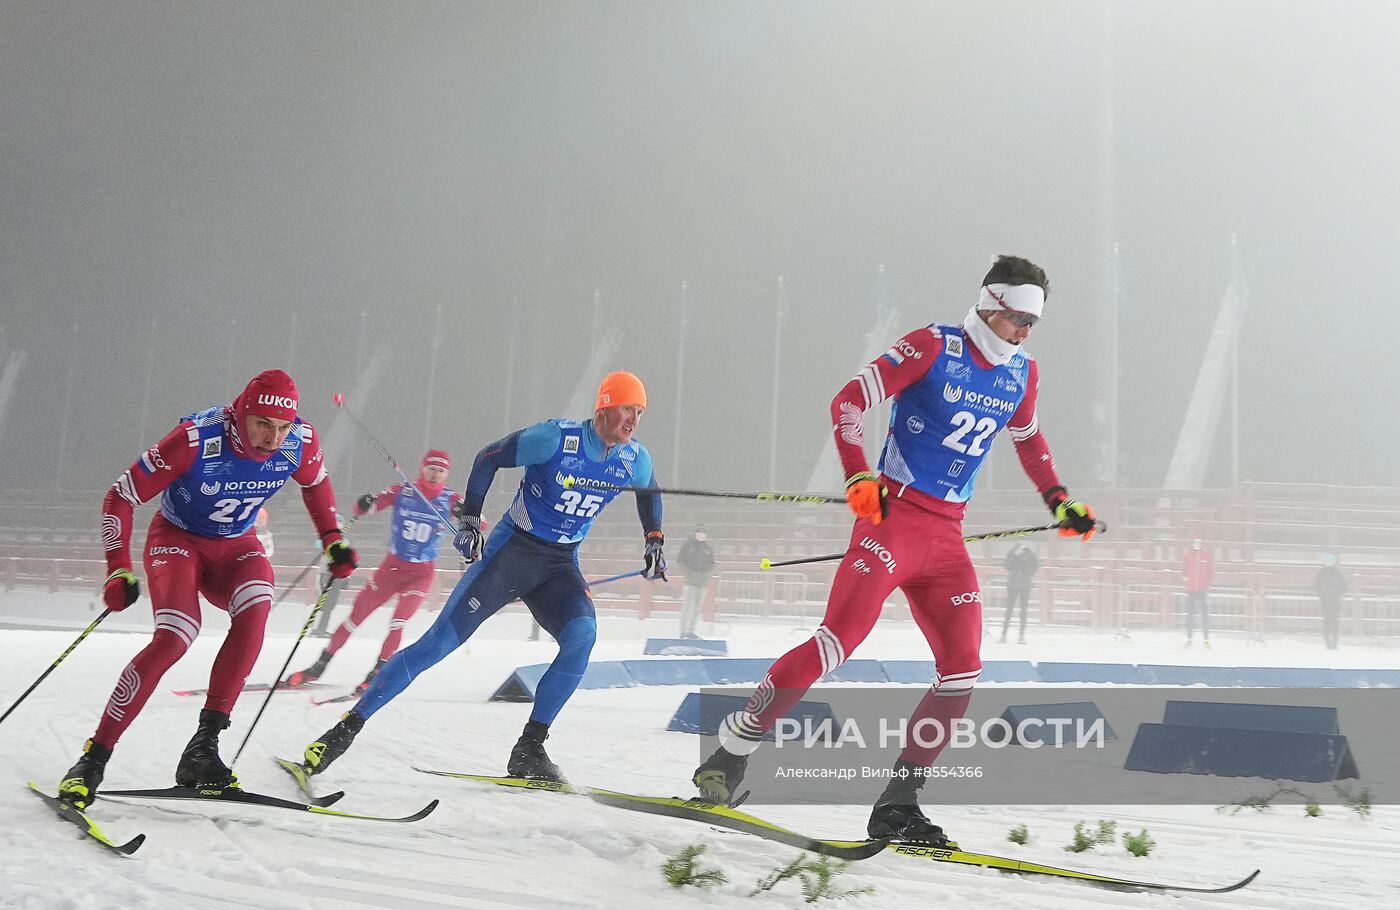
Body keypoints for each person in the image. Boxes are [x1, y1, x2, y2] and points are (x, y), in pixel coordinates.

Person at [690, 255, 1098, 846]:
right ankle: (730, 751)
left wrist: (1060, 500)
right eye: (1018, 320)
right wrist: (858, 475)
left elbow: (1030, 441)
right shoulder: (933, 345)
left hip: (946, 537)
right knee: (836, 643)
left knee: (962, 670)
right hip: (892, 522)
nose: (1025, 334)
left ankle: (897, 805)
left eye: (1034, 325)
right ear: (991, 304)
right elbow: (849, 403)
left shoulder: (1023, 374)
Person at [293, 371, 666, 783]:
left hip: (559, 566)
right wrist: (470, 520)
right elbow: (488, 457)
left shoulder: (635, 458)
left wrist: (654, 539)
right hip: (512, 554)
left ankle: (530, 750)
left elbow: (650, 492)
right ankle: (338, 735)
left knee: (582, 639)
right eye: (627, 409)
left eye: (639, 413)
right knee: (435, 646)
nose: (633, 420)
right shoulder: (556, 439)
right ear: (604, 407)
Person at [56, 370, 358, 808]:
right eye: (263, 425)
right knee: (175, 637)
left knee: (257, 609)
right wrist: (116, 568)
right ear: (241, 415)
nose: (273, 439)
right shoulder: (196, 439)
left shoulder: (300, 440)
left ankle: (203, 749)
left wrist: (333, 537)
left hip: (236, 546)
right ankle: (92, 760)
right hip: (177, 540)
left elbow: (316, 484)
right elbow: (120, 497)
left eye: (282, 428)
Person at [284, 450, 463, 692]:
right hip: (391, 569)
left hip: (421, 574)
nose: (435, 475)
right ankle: (319, 666)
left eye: (441, 471)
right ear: (422, 468)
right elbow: (367, 506)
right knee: (354, 618)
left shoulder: (451, 499)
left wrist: (467, 514)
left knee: (398, 622)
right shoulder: (404, 490)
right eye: (431, 468)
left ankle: (378, 672)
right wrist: (365, 502)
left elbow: (480, 522)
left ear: (447, 474)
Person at [677, 526, 716, 639]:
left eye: (703, 533)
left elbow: (712, 564)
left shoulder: (708, 549)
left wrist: (707, 575)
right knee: (687, 607)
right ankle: (683, 631)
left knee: (696, 608)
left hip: (702, 582)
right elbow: (680, 561)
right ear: (695, 534)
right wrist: (688, 574)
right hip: (690, 581)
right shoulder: (688, 546)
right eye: (699, 533)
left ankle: (691, 631)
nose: (701, 535)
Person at [998, 541, 1038, 644]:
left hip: (1024, 585)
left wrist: (1025, 561)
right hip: (1013, 584)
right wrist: (1016, 558)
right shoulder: (1012, 552)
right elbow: (1007, 566)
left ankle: (1021, 635)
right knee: (1009, 611)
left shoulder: (1031, 554)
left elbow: (1033, 570)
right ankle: (1004, 634)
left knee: (1023, 611)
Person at [1182, 538, 1214, 648]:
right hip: (1191, 590)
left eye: (1198, 543)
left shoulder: (1207, 557)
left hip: (1202, 590)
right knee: (1189, 615)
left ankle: (1206, 639)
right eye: (1195, 542)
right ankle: (1189, 638)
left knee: (1204, 615)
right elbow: (1184, 572)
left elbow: (1210, 572)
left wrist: (1206, 584)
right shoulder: (1188, 556)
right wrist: (1187, 582)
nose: (1197, 544)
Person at [1314, 554, 1346, 650]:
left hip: (1325, 601)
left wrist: (1322, 593)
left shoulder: (1321, 573)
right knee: (1335, 620)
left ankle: (1327, 638)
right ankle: (1335, 640)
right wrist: (1337, 593)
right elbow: (1344, 587)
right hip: (1335, 601)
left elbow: (1316, 586)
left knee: (1327, 620)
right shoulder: (1337, 573)